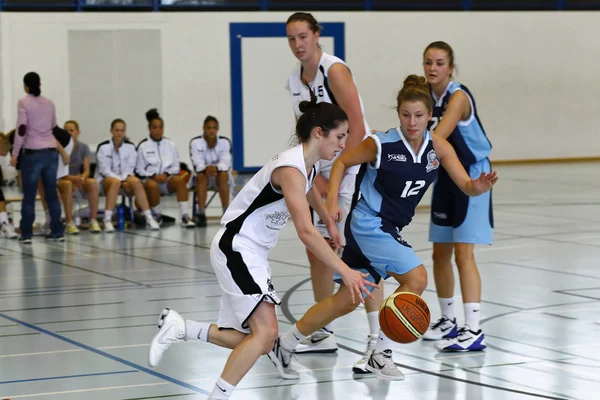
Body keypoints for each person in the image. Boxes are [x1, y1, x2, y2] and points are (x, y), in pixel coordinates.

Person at [147, 99, 378, 400]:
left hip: (251, 251)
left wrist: (327, 219)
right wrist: (346, 271)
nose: (343, 144)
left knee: (261, 339)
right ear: (319, 133)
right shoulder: (291, 169)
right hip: (237, 247)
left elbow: (309, 190)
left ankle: (181, 328)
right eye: (340, 136)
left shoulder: (307, 164)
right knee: (266, 334)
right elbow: (306, 233)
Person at [271, 75, 498, 381]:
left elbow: (467, 185)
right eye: (405, 115)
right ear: (398, 114)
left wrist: (479, 187)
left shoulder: (439, 148)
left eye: (419, 115)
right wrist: (334, 199)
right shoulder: (382, 143)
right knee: (416, 278)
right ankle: (381, 354)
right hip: (369, 223)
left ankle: (285, 343)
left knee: (345, 302)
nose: (412, 122)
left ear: (430, 116)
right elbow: (341, 163)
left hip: (385, 227)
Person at [285, 12, 384, 366]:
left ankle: (377, 344)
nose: (298, 45)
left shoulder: (335, 71)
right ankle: (323, 333)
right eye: (292, 39)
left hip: (355, 164)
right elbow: (308, 141)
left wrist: (336, 184)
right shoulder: (294, 81)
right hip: (327, 169)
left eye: (303, 37)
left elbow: (357, 129)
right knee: (318, 249)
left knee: (360, 255)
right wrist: (321, 183)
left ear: (316, 35)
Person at [420, 41, 493, 352]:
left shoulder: (458, 96)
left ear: (450, 68)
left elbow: (438, 135)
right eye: (428, 62)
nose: (433, 68)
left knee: (464, 254)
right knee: (440, 253)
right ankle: (448, 321)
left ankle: (474, 329)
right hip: (446, 176)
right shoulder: (425, 95)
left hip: (473, 176)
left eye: (439, 63)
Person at [10, 72, 63, 243]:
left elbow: (21, 129)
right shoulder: (49, 103)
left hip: (32, 154)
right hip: (51, 153)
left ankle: (26, 234)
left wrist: (15, 154)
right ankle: (57, 231)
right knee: (51, 194)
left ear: (26, 86)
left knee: (30, 195)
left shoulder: (23, 103)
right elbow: (54, 126)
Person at [96, 119, 160, 231]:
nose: (119, 133)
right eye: (116, 130)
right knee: (115, 182)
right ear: (111, 131)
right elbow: (105, 170)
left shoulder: (130, 147)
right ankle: (107, 220)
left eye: (122, 130)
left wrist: (124, 180)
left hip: (124, 179)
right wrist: (121, 181)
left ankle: (149, 217)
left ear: (125, 132)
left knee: (135, 181)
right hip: (106, 181)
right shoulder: (103, 147)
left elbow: (130, 168)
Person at [135, 109, 195, 228]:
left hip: (166, 180)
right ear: (150, 129)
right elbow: (139, 170)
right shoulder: (143, 146)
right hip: (150, 180)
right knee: (152, 185)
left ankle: (185, 216)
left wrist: (166, 174)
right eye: (154, 127)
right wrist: (153, 175)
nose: (157, 130)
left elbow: (176, 166)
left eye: (160, 127)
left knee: (179, 181)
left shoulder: (170, 144)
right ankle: (157, 215)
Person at [189, 115, 232, 227]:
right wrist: (206, 168)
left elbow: (226, 162)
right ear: (204, 128)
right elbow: (197, 163)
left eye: (214, 127)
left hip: (219, 175)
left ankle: (226, 212)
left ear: (217, 129)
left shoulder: (225, 142)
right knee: (201, 176)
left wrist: (216, 168)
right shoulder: (195, 142)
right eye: (209, 128)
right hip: (203, 175)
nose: (211, 130)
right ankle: (201, 214)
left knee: (223, 175)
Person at [62, 120, 102, 233]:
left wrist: (82, 178)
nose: (69, 133)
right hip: (64, 180)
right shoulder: (60, 148)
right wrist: (74, 179)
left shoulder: (83, 147)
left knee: (93, 183)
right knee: (68, 184)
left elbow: (87, 170)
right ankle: (69, 222)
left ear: (78, 132)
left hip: (77, 179)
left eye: (71, 130)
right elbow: (60, 173)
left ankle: (93, 220)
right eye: (66, 131)